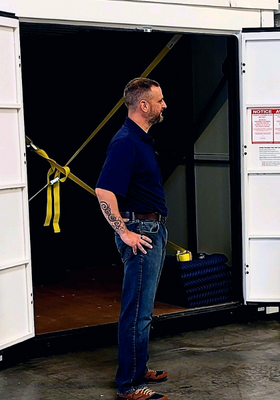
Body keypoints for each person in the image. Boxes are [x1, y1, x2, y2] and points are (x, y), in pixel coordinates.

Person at [96, 77, 170, 400]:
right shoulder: (125, 141)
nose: (164, 105)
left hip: (153, 230)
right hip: (140, 233)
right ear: (144, 105)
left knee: (144, 310)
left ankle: (139, 369)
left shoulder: (142, 140)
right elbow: (103, 191)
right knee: (136, 312)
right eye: (159, 100)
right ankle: (128, 385)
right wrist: (124, 232)